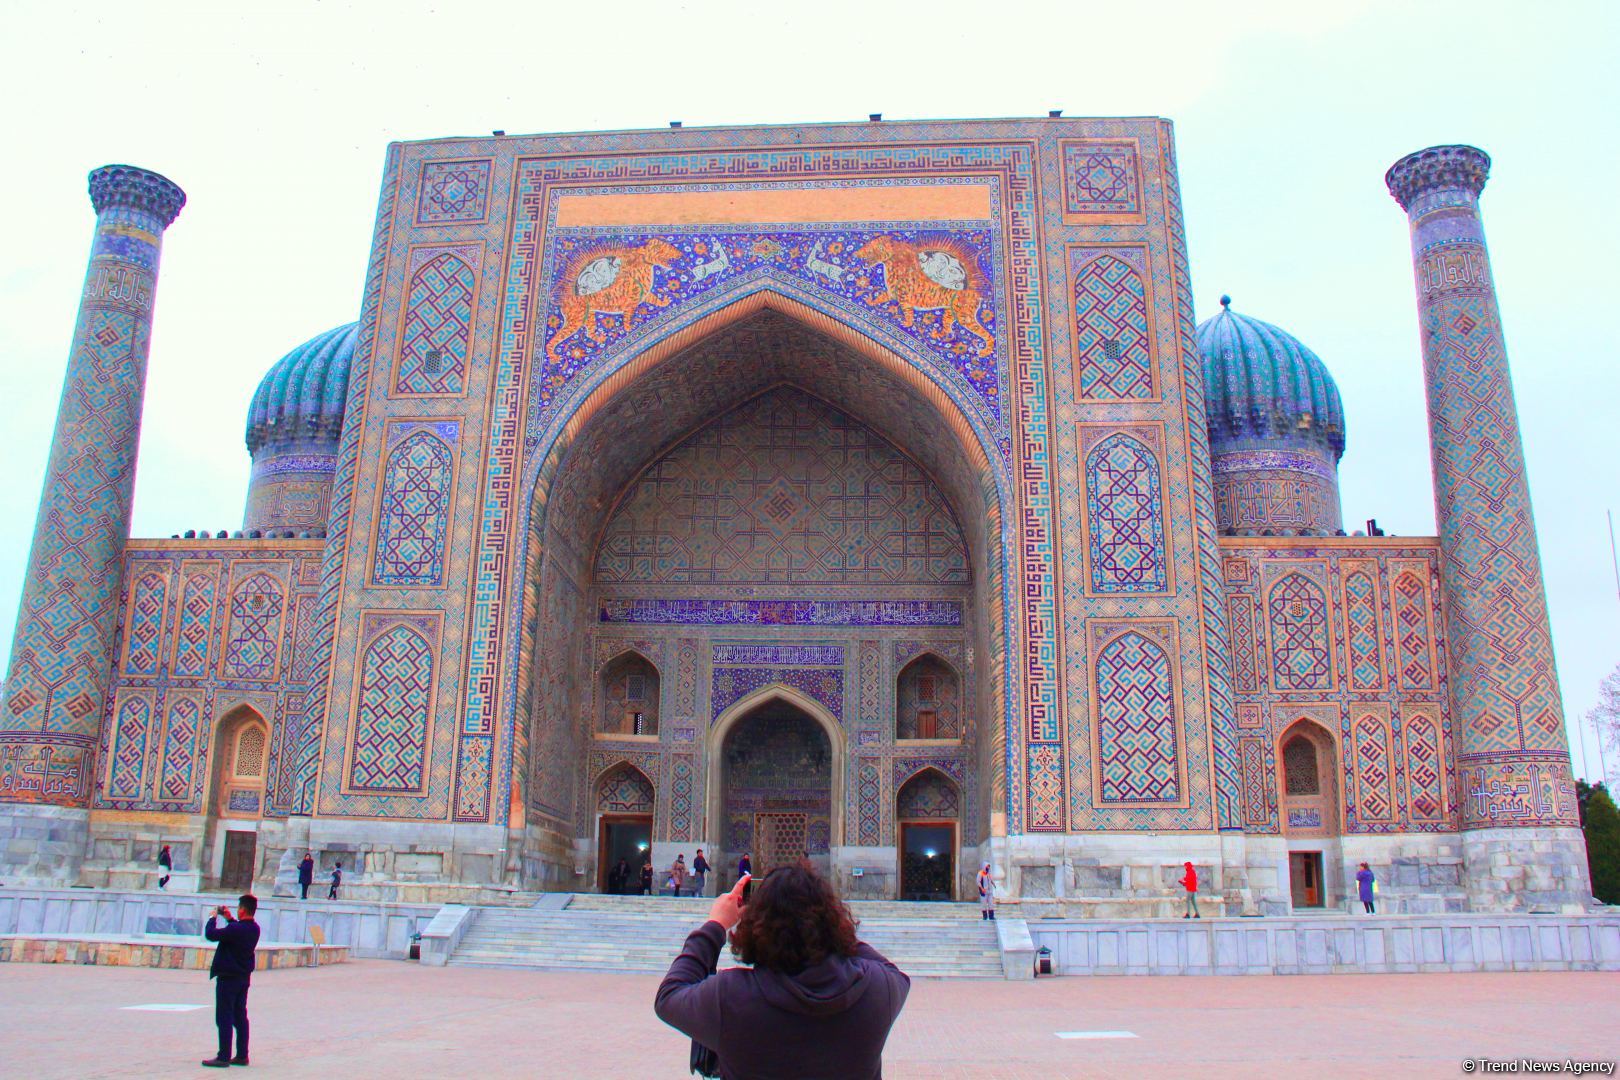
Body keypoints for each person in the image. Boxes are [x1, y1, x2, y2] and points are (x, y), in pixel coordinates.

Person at [655, 864, 910, 1080]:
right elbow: (893, 971)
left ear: (755, 923)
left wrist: (715, 925)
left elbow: (669, 996)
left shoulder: (731, 997)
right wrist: (829, 927)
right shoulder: (877, 990)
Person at [201, 893, 260, 1068]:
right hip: (242, 978)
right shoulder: (254, 929)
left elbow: (211, 935)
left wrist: (213, 918)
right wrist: (229, 918)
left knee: (224, 1017)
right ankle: (242, 1055)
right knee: (240, 1016)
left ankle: (223, 1056)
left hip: (228, 978)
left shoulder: (236, 930)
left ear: (242, 910)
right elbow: (237, 930)